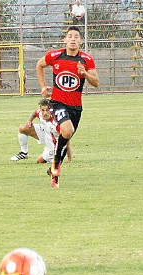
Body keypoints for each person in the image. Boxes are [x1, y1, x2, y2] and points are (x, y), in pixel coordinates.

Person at [36, 26, 99, 188]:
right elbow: (39, 65)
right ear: (65, 40)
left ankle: (54, 166)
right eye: (70, 36)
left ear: (80, 41)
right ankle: (56, 169)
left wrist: (84, 73)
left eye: (76, 37)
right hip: (57, 103)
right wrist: (43, 87)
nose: (72, 39)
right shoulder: (55, 56)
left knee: (67, 136)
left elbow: (96, 83)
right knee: (67, 130)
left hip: (76, 107)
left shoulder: (86, 60)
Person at [10, 99, 71, 164]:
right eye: (43, 110)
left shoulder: (56, 122)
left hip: (54, 141)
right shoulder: (40, 113)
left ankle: (54, 158)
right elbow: (34, 113)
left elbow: (66, 139)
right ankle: (24, 153)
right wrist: (29, 121)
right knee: (23, 128)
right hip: (45, 132)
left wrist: (69, 158)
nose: (45, 113)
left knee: (39, 161)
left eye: (47, 110)